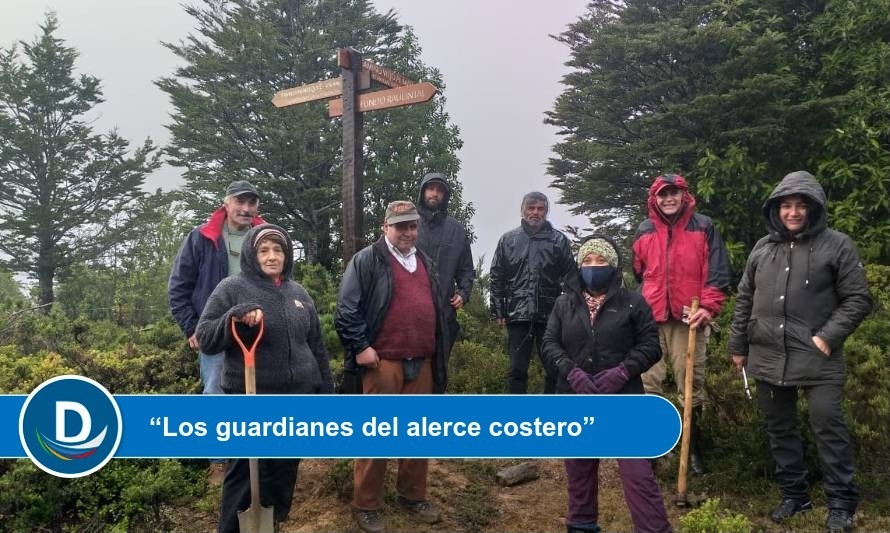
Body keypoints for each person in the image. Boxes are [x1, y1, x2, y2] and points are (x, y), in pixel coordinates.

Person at [728, 170, 872, 533]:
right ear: (776, 209)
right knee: (780, 429)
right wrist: (738, 345)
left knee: (829, 428)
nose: (793, 212)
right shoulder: (762, 248)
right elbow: (745, 297)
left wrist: (827, 337)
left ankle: (841, 503)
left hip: (818, 357)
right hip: (766, 354)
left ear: (813, 208)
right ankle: (795, 495)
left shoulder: (838, 245)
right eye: (786, 206)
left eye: (800, 206)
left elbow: (858, 299)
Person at [196, 223, 333, 533]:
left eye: (278, 250)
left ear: (286, 255)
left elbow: (317, 348)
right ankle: (232, 528)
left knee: (283, 472)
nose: (272, 257)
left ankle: (271, 525)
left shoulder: (298, 293)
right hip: (252, 398)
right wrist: (235, 316)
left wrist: (326, 395)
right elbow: (205, 337)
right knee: (244, 476)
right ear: (252, 254)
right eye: (264, 250)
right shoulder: (232, 287)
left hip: (298, 398)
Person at [542, 236, 672, 533]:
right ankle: (582, 526)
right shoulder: (564, 304)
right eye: (587, 261)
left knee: (638, 474)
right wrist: (572, 373)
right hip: (576, 399)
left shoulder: (633, 301)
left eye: (600, 261)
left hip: (623, 400)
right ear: (579, 266)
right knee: (579, 472)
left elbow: (651, 345)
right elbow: (549, 344)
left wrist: (622, 372)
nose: (593, 267)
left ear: (613, 267)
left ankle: (654, 529)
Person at [334, 200, 449, 533]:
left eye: (412, 226)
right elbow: (347, 310)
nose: (408, 232)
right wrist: (362, 346)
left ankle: (412, 496)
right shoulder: (367, 260)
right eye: (400, 226)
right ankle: (367, 504)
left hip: (422, 361)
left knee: (417, 435)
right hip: (383, 362)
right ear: (385, 227)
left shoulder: (426, 261)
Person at [632, 173, 731, 475]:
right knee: (647, 384)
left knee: (691, 384)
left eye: (674, 193)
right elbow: (640, 272)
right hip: (650, 319)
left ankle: (692, 449)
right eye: (663, 194)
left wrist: (709, 307)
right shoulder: (644, 229)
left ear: (684, 195)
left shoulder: (703, 226)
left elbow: (718, 272)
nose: (669, 199)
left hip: (689, 318)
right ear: (654, 199)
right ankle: (650, 449)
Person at [168, 179, 266, 482]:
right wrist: (192, 327)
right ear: (226, 203)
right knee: (216, 392)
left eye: (252, 203)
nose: (246, 209)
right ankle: (220, 462)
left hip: (258, 328)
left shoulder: (267, 237)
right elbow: (178, 288)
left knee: (259, 392)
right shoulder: (201, 237)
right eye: (240, 202)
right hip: (215, 330)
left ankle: (256, 457)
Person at [490, 191, 575, 394]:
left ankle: (551, 415)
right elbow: (497, 276)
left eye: (540, 208)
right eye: (531, 208)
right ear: (522, 209)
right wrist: (497, 309)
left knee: (554, 368)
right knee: (516, 370)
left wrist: (571, 310)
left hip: (551, 315)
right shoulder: (508, 240)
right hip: (517, 314)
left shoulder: (559, 241)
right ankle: (517, 416)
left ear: (546, 211)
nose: (535, 212)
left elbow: (572, 278)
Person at [416, 172, 475, 352]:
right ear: (423, 191)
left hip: (444, 313)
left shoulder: (456, 230)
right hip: (411, 312)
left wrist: (464, 293)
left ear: (445, 196)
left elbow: (466, 269)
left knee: (439, 372)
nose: (434, 193)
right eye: (431, 188)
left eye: (440, 190)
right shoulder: (409, 224)